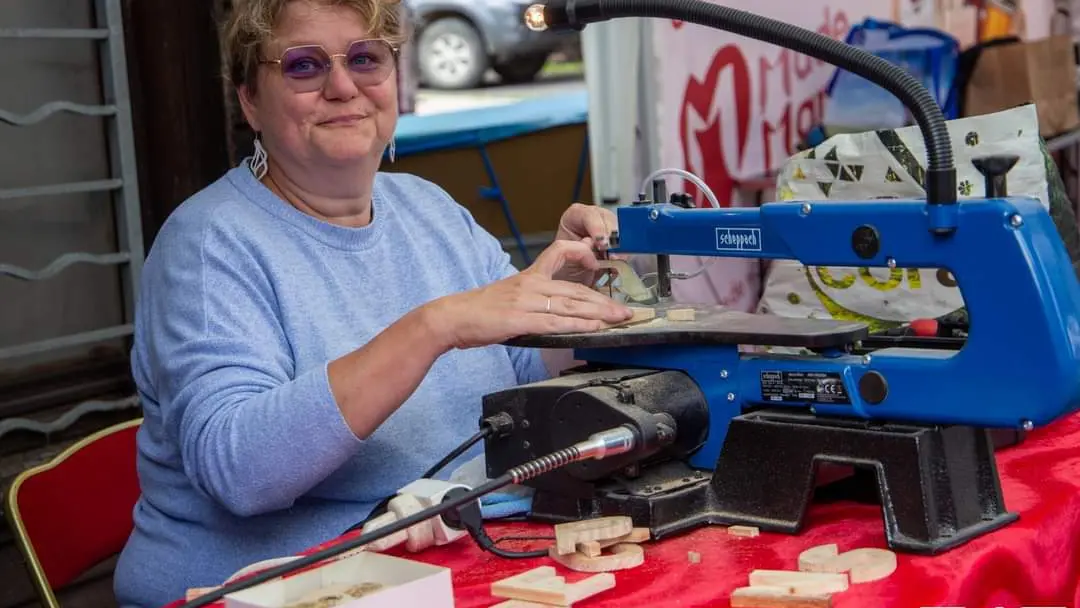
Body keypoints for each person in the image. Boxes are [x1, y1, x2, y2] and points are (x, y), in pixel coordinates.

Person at [112, 0, 632, 605]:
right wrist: (435, 326)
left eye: (365, 58)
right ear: (249, 100)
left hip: (443, 563)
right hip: (267, 586)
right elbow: (239, 470)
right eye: (304, 65)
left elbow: (520, 386)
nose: (343, 86)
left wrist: (565, 299)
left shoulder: (429, 208)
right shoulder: (207, 244)